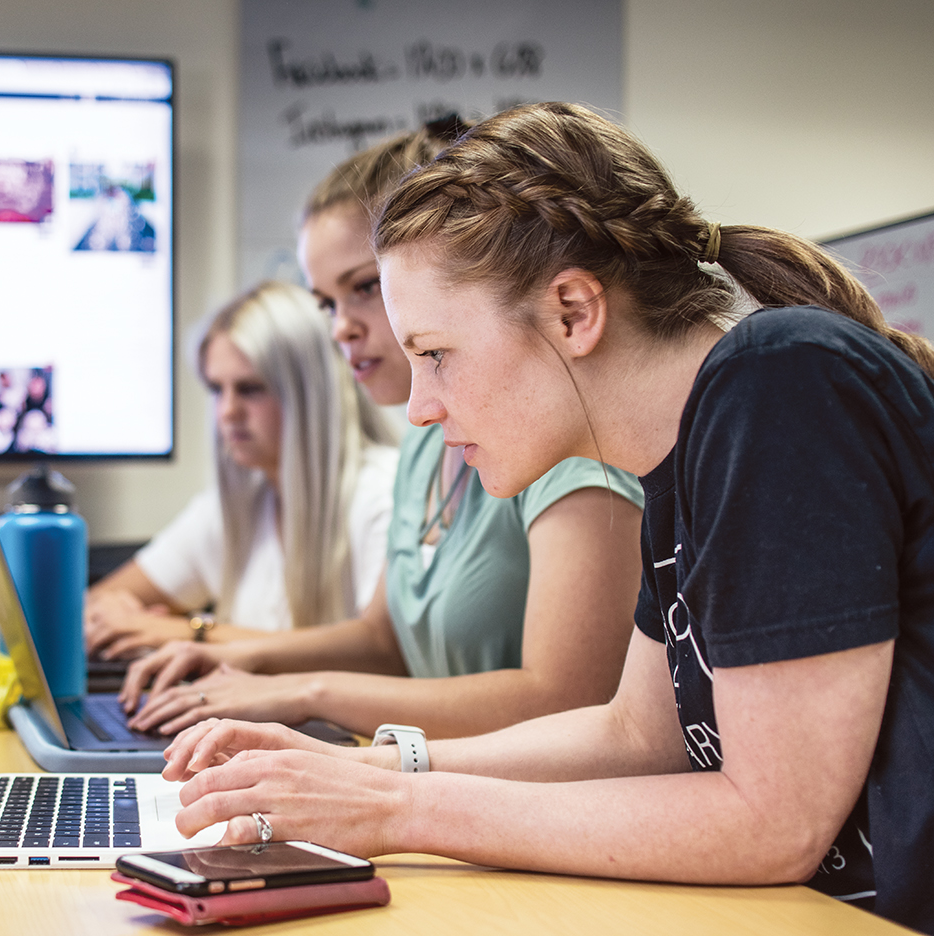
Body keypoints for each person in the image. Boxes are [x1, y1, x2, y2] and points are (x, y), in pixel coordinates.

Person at [159, 102, 934, 934]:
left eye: (436, 355)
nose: (419, 406)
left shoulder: (778, 385)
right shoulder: (681, 455)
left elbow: (771, 823)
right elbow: (637, 734)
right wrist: (379, 766)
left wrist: (398, 808)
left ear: (573, 311)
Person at [118, 119, 646, 740]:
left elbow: (567, 702)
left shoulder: (565, 447)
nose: (342, 328)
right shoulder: (426, 435)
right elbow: (383, 641)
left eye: (366, 288)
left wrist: (302, 690)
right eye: (326, 303)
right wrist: (244, 663)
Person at [85, 280, 399, 657]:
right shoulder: (241, 502)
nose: (227, 412)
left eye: (250, 389)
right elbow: (96, 606)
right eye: (217, 389)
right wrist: (125, 617)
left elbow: (376, 654)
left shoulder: (384, 492)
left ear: (309, 392)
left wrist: (188, 633)